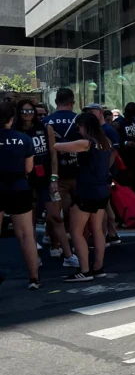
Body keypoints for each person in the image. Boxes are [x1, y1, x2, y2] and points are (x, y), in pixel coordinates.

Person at [14, 99, 76, 266]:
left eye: (30, 111)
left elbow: (53, 154)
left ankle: (69, 255)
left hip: (46, 178)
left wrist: (54, 177)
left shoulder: (45, 128)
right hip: (25, 179)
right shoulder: (15, 131)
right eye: (24, 111)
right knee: (30, 220)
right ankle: (34, 256)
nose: (28, 114)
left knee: (55, 216)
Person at [54, 112, 115, 281]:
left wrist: (53, 136)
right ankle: (98, 267)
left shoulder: (86, 143)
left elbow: (57, 147)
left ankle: (85, 271)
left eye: (79, 126)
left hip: (86, 191)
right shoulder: (106, 142)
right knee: (97, 230)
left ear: (85, 127)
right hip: (102, 191)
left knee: (76, 231)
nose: (78, 129)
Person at [0, 99, 41, 289]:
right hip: (19, 187)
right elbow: (29, 168)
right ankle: (34, 278)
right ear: (12, 118)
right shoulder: (24, 139)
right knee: (26, 235)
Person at [83, 103, 121, 245]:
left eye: (91, 112)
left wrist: (105, 169)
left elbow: (114, 152)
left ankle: (105, 235)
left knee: (103, 206)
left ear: (99, 112)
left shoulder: (108, 130)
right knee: (105, 205)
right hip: (99, 174)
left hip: (105, 174)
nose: (89, 115)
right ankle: (111, 233)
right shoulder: (95, 130)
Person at [44, 87, 80, 224]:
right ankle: (79, 236)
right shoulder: (80, 120)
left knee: (54, 209)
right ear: (73, 102)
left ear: (55, 101)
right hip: (79, 171)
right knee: (81, 208)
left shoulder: (46, 122)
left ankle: (54, 241)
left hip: (54, 174)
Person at [115, 102, 135, 195]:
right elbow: (113, 141)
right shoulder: (118, 123)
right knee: (126, 183)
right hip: (125, 158)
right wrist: (125, 143)